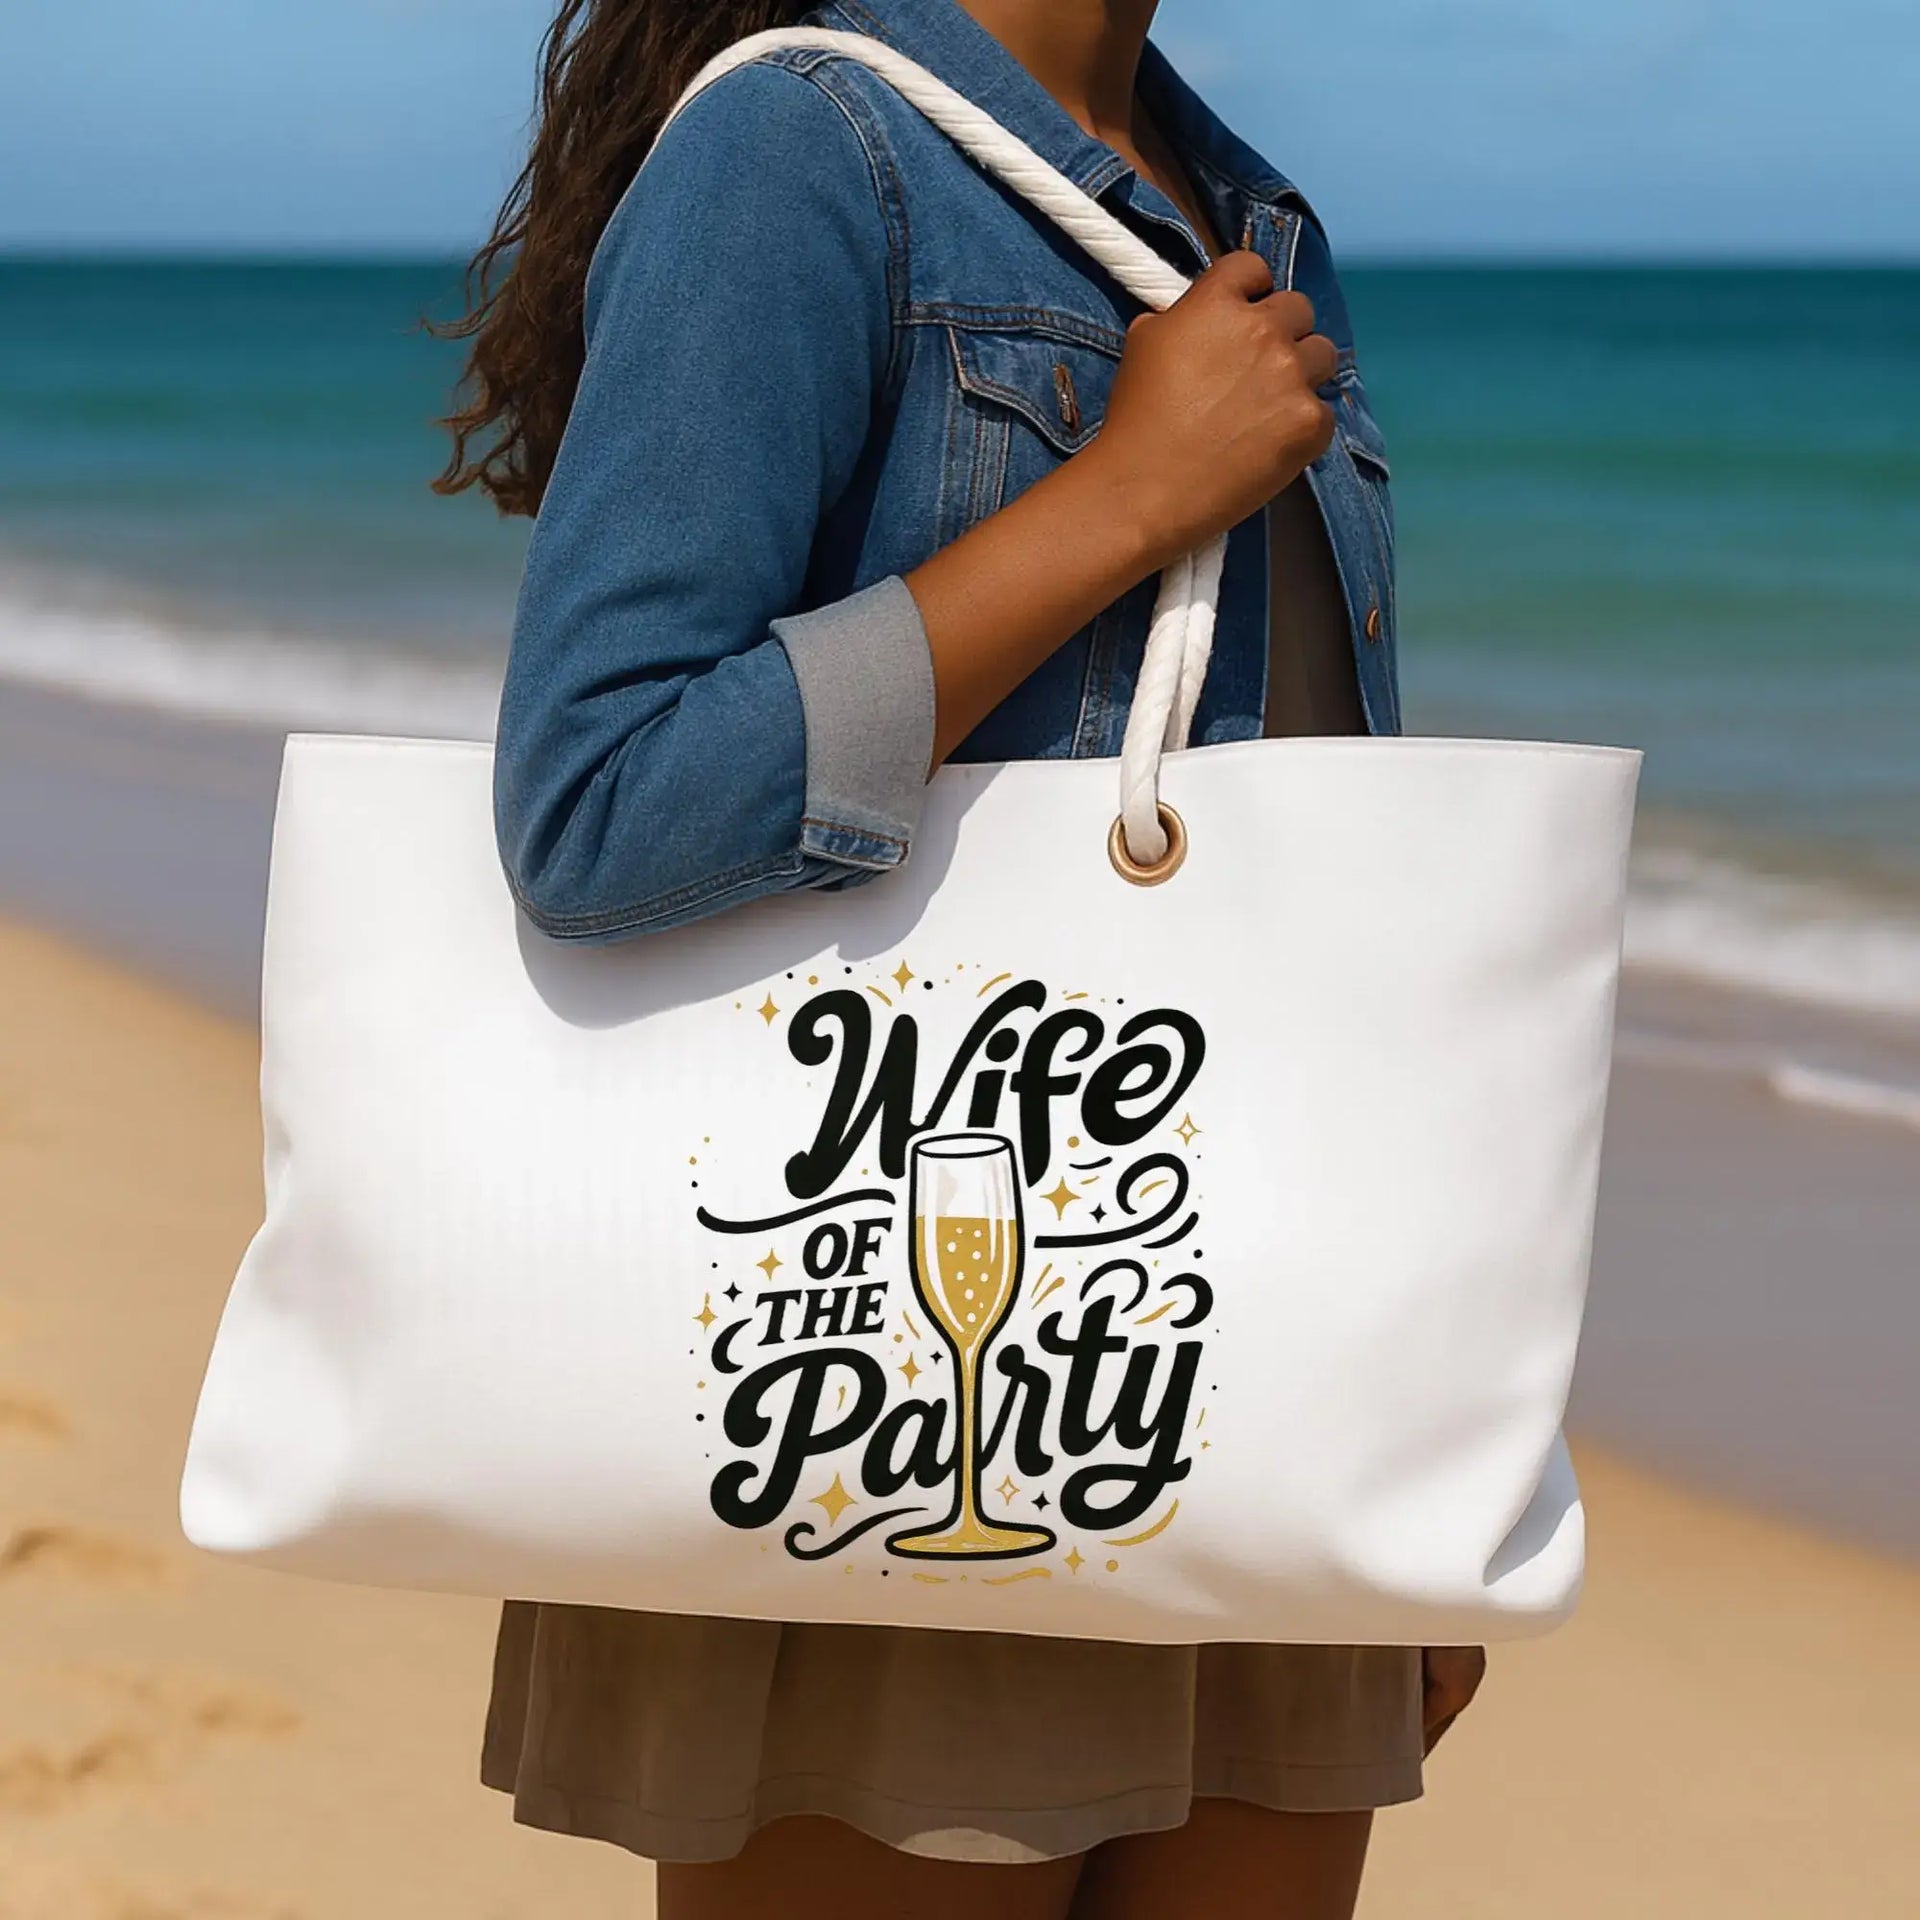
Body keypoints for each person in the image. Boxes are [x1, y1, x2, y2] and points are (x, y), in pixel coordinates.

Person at [437, 1, 1485, 1913]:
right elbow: (597, 802)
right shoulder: (798, 154)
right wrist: (1126, 496)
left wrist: (1422, 1430)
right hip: (890, 1396)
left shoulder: (1249, 213)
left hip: (1238, 1375)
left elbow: (1324, 898)